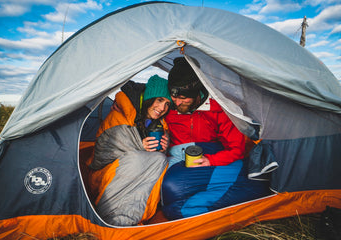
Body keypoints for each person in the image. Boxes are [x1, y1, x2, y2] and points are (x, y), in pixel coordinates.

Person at [161, 57, 271, 220]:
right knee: (171, 188)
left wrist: (211, 161)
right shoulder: (166, 106)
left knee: (257, 182)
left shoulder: (217, 108)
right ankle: (189, 208)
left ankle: (185, 210)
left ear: (197, 92)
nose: (177, 102)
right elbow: (143, 100)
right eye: (173, 96)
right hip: (178, 159)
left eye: (183, 98)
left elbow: (236, 148)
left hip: (210, 157)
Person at [88, 75, 171, 226]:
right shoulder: (120, 115)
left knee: (160, 160)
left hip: (135, 177)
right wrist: (139, 144)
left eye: (167, 104)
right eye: (159, 100)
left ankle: (134, 216)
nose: (162, 108)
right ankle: (114, 218)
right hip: (104, 176)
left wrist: (164, 145)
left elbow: (155, 157)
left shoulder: (159, 124)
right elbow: (102, 152)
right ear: (149, 98)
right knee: (138, 159)